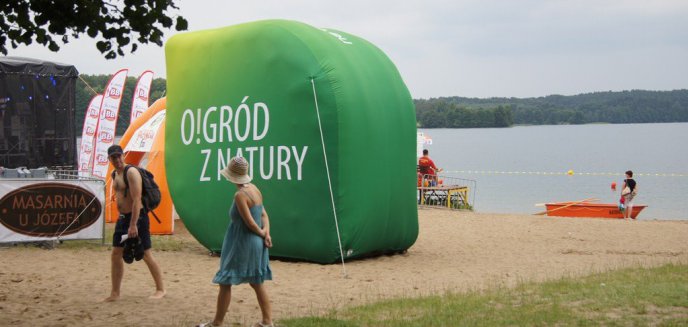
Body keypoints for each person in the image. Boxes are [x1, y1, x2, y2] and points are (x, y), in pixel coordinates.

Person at [198, 156, 273, 327]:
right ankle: (268, 322)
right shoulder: (254, 189)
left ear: (232, 175)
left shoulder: (240, 195)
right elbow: (263, 215)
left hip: (242, 243)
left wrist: (262, 232)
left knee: (225, 281)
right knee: (256, 282)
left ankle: (217, 323)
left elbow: (250, 222)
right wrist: (266, 233)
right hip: (256, 243)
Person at [104, 145, 165, 301]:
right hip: (123, 218)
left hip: (138, 218)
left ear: (123, 156)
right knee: (116, 254)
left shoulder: (131, 172)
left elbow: (137, 199)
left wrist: (133, 225)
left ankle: (160, 289)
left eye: (119, 156)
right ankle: (115, 293)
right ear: (109, 159)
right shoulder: (114, 174)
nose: (117, 159)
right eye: (113, 157)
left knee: (145, 253)